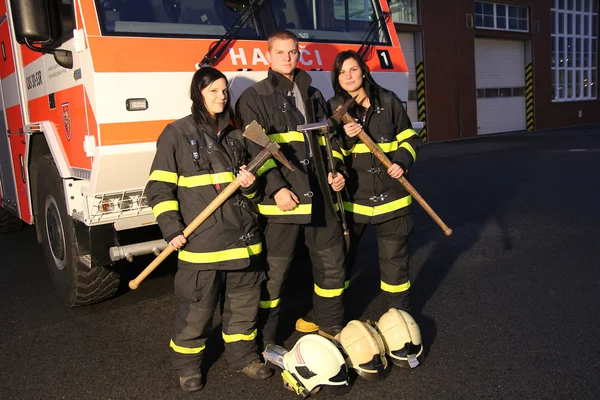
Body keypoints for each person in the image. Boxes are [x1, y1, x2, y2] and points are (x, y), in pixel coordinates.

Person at [145, 67, 273, 393]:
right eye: (213, 91)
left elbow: (253, 195)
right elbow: (158, 189)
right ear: (198, 93)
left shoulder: (238, 133)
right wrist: (171, 228)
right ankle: (187, 366)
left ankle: (243, 357)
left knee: (243, 309)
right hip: (202, 244)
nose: (220, 97)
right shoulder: (176, 133)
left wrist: (249, 185)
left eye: (223, 91)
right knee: (197, 311)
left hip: (243, 242)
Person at [235, 29, 347, 346]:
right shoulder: (253, 99)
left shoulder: (312, 94)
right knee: (275, 274)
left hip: (320, 193)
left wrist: (336, 171)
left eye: (293, 52)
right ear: (268, 56)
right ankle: (265, 341)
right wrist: (277, 188)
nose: (288, 57)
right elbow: (256, 150)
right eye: (281, 52)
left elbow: (329, 141)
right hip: (285, 199)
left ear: (299, 53)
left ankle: (331, 328)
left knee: (332, 265)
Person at [327, 50, 422, 314]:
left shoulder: (388, 101)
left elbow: (410, 138)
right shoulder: (333, 107)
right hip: (354, 200)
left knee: (395, 264)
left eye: (353, 70)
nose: (348, 76)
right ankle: (332, 318)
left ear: (363, 71)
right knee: (340, 261)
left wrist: (401, 162)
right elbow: (330, 150)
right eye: (342, 72)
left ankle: (399, 319)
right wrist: (344, 140)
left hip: (392, 198)